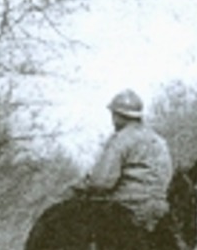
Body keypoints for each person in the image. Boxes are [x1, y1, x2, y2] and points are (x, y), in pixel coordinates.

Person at [72, 88, 173, 229]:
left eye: (113, 115)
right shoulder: (160, 142)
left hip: (126, 208)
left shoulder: (121, 139)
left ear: (118, 116)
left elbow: (101, 183)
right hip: (160, 209)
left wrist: (81, 186)